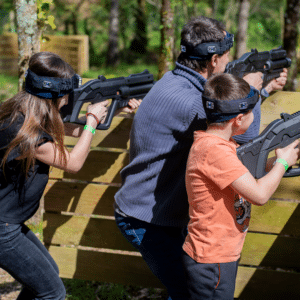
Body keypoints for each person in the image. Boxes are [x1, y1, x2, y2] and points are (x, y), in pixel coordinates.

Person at [114, 16, 288, 300]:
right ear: (214, 60)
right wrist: (253, 89)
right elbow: (244, 134)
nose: (229, 62)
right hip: (148, 220)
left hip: (150, 210)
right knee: (190, 292)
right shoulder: (191, 101)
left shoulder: (174, 81)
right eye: (227, 57)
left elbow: (230, 120)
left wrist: (263, 90)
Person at [0, 51, 140, 300]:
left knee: (46, 278)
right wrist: (92, 122)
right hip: (3, 228)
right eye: (66, 95)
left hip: (9, 222)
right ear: (54, 96)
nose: (68, 101)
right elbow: (73, 162)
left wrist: (115, 109)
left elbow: (71, 129)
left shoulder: (23, 112)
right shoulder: (25, 134)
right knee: (52, 293)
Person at [182, 72, 299, 299]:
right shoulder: (215, 151)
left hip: (218, 254)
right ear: (238, 119)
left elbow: (244, 175)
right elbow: (260, 194)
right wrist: (283, 163)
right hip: (212, 259)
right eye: (252, 112)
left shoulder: (220, 143)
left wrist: (282, 158)